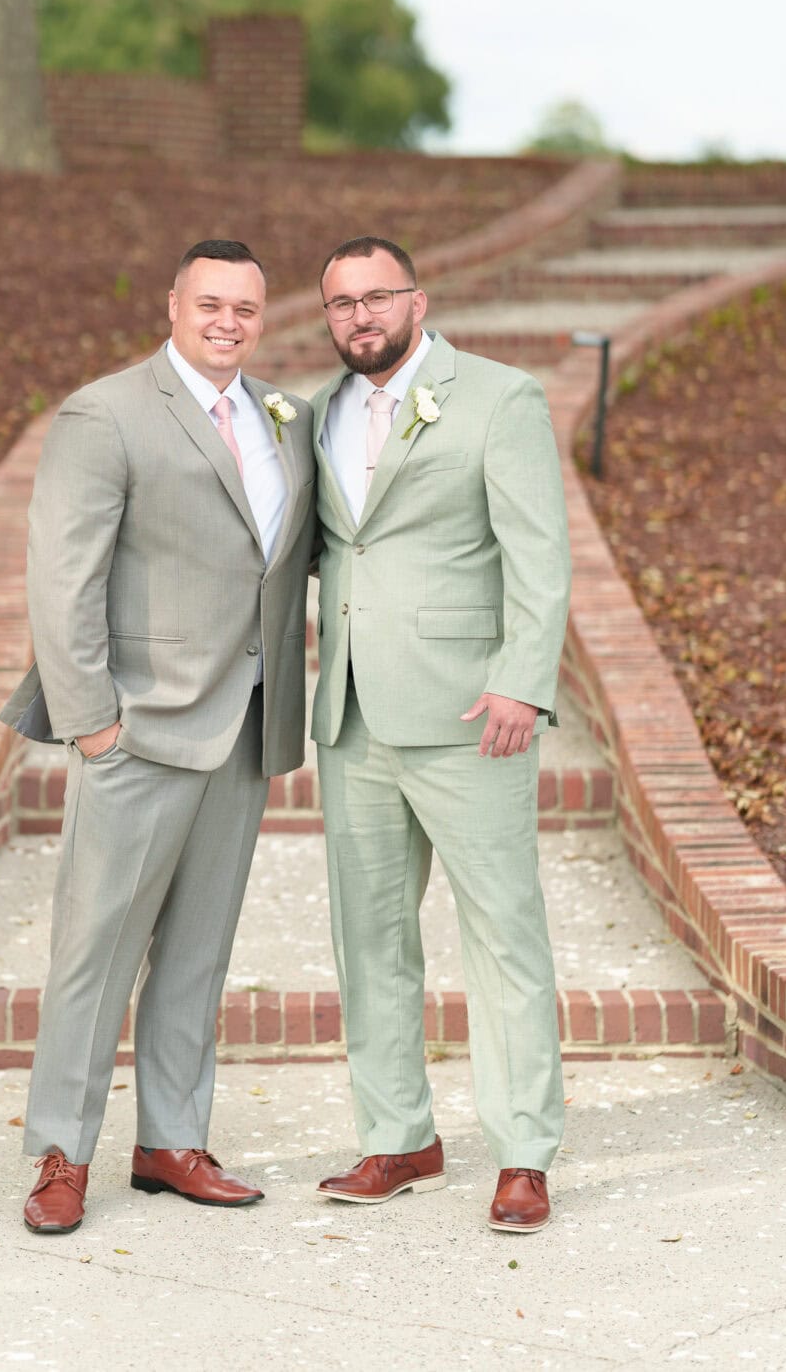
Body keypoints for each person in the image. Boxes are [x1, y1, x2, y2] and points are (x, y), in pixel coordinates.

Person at [0, 240, 316, 1231]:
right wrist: (92, 723)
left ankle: (171, 1141)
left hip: (245, 729)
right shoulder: (107, 412)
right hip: (137, 729)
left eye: (246, 308)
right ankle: (62, 1152)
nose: (227, 321)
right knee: (94, 951)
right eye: (209, 302)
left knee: (198, 951)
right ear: (174, 303)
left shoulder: (285, 417)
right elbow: (63, 577)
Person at [309, 236, 571, 1232]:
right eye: (340, 304)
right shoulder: (319, 410)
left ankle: (523, 1152)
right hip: (352, 716)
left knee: (501, 932)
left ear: (418, 301)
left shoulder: (499, 399)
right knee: (369, 937)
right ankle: (397, 1136)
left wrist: (520, 683)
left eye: (376, 297)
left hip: (473, 715)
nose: (359, 317)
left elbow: (538, 556)